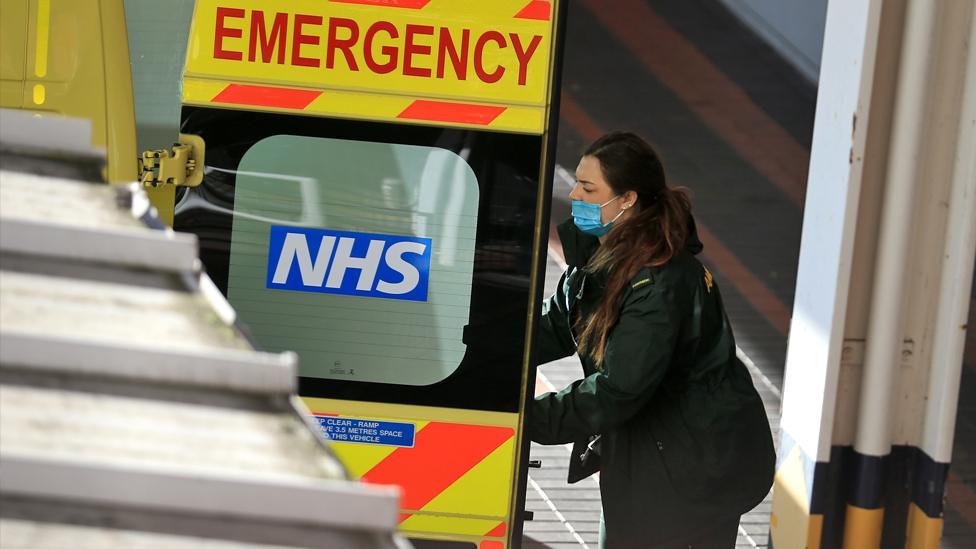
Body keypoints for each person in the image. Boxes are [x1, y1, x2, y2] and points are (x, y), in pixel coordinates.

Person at [529, 131, 775, 548]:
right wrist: (480, 348)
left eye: (588, 188)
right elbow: (557, 325)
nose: (573, 195)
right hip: (652, 454)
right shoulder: (601, 255)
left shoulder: (658, 283)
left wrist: (528, 417)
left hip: (690, 467)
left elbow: (617, 389)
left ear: (626, 200)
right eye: (577, 182)